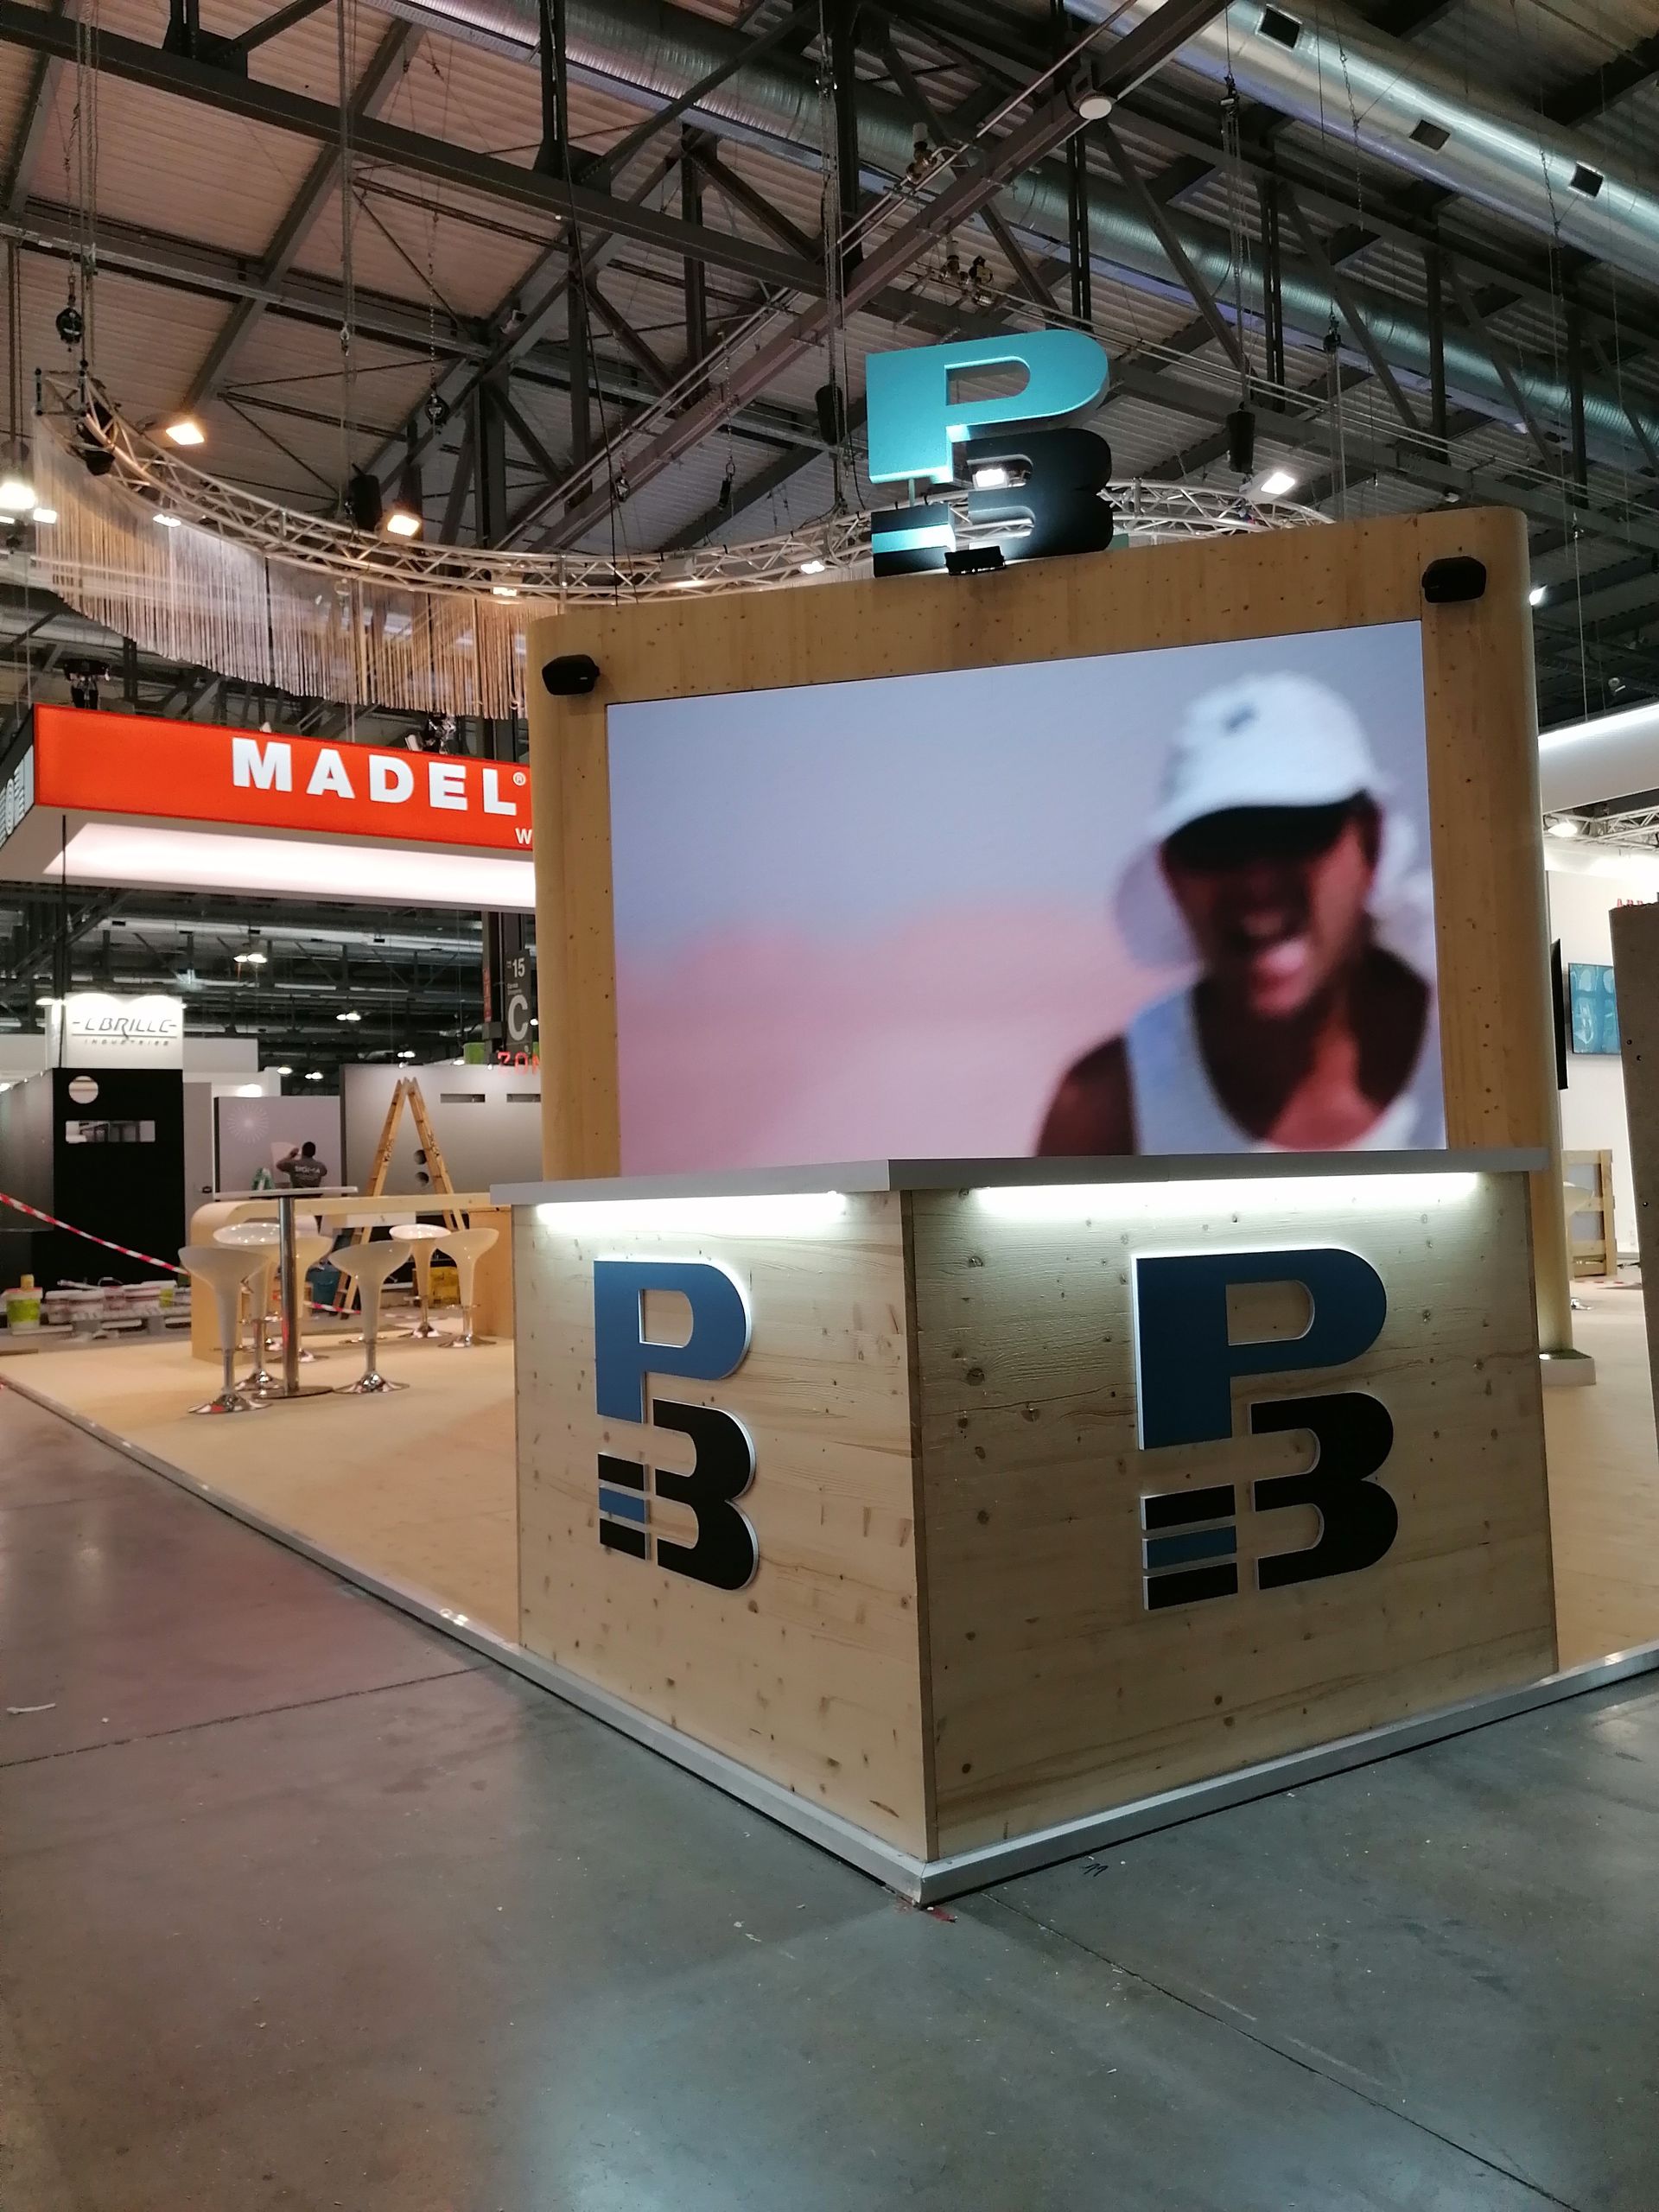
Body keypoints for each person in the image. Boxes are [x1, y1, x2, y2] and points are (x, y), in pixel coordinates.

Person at [1037, 671, 1444, 1155]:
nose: (1257, 882)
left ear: (1370, 842)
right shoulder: (1106, 1108)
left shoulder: (1479, 1044)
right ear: (1172, 875)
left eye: (1295, 829)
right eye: (1217, 842)